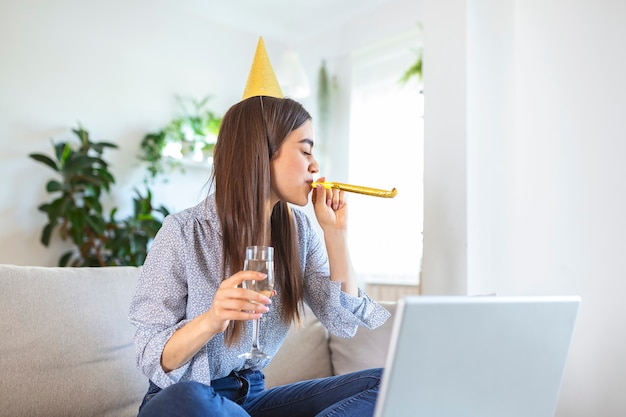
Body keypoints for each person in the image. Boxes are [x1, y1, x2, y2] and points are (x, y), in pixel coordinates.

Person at [128, 37, 391, 417]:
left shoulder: (298, 231)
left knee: (386, 382)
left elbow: (343, 322)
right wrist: (212, 318)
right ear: (262, 153)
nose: (315, 165)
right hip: (191, 400)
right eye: (305, 149)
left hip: (253, 401)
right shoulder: (183, 232)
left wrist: (336, 235)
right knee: (188, 400)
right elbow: (153, 356)